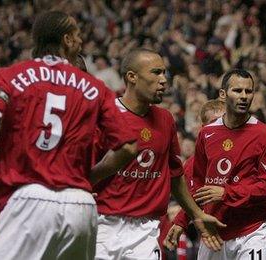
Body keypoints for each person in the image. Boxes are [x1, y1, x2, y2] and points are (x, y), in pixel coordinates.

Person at [0, 11, 138, 260]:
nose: (81, 41)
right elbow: (129, 147)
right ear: (66, 40)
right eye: (77, 35)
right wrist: (88, 178)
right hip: (82, 208)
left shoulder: (12, 76)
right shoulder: (96, 88)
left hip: (31, 200)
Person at [93, 48, 225, 259]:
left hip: (146, 230)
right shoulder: (105, 117)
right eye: (156, 72)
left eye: (164, 73)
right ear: (132, 77)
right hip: (103, 224)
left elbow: (175, 176)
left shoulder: (165, 119)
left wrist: (197, 215)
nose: (164, 80)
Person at [165, 68, 266, 259]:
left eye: (248, 91)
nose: (243, 96)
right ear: (223, 94)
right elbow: (199, 186)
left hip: (251, 231)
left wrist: (227, 193)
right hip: (214, 230)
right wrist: (181, 221)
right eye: (237, 90)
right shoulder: (207, 134)